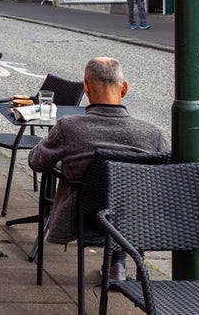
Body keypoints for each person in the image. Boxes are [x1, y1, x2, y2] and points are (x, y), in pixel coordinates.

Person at [28, 57, 167, 282]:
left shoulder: (69, 127)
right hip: (132, 220)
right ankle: (117, 264)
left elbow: (36, 162)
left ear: (85, 86)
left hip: (82, 218)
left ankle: (115, 263)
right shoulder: (152, 135)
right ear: (125, 88)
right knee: (118, 193)